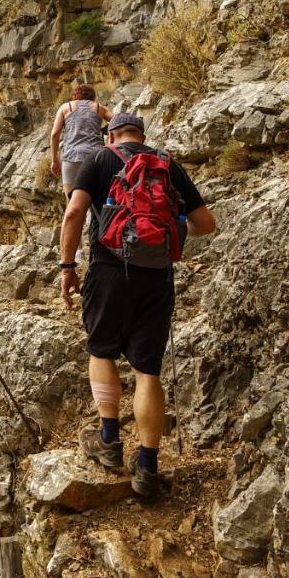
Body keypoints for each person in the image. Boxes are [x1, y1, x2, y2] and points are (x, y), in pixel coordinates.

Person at [58, 113, 216, 498]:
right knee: (148, 370)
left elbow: (75, 212)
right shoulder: (165, 163)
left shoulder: (99, 159)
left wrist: (66, 267)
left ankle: (109, 441)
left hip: (109, 272)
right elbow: (205, 223)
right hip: (157, 277)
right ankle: (147, 466)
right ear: (143, 136)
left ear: (110, 135)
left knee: (102, 350)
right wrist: (167, 229)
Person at [49, 84, 113, 199]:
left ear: (74, 95)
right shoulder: (99, 108)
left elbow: (54, 134)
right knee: (96, 201)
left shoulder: (65, 107)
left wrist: (54, 160)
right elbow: (118, 122)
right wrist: (109, 140)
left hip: (71, 157)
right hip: (95, 157)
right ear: (92, 96)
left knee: (71, 203)